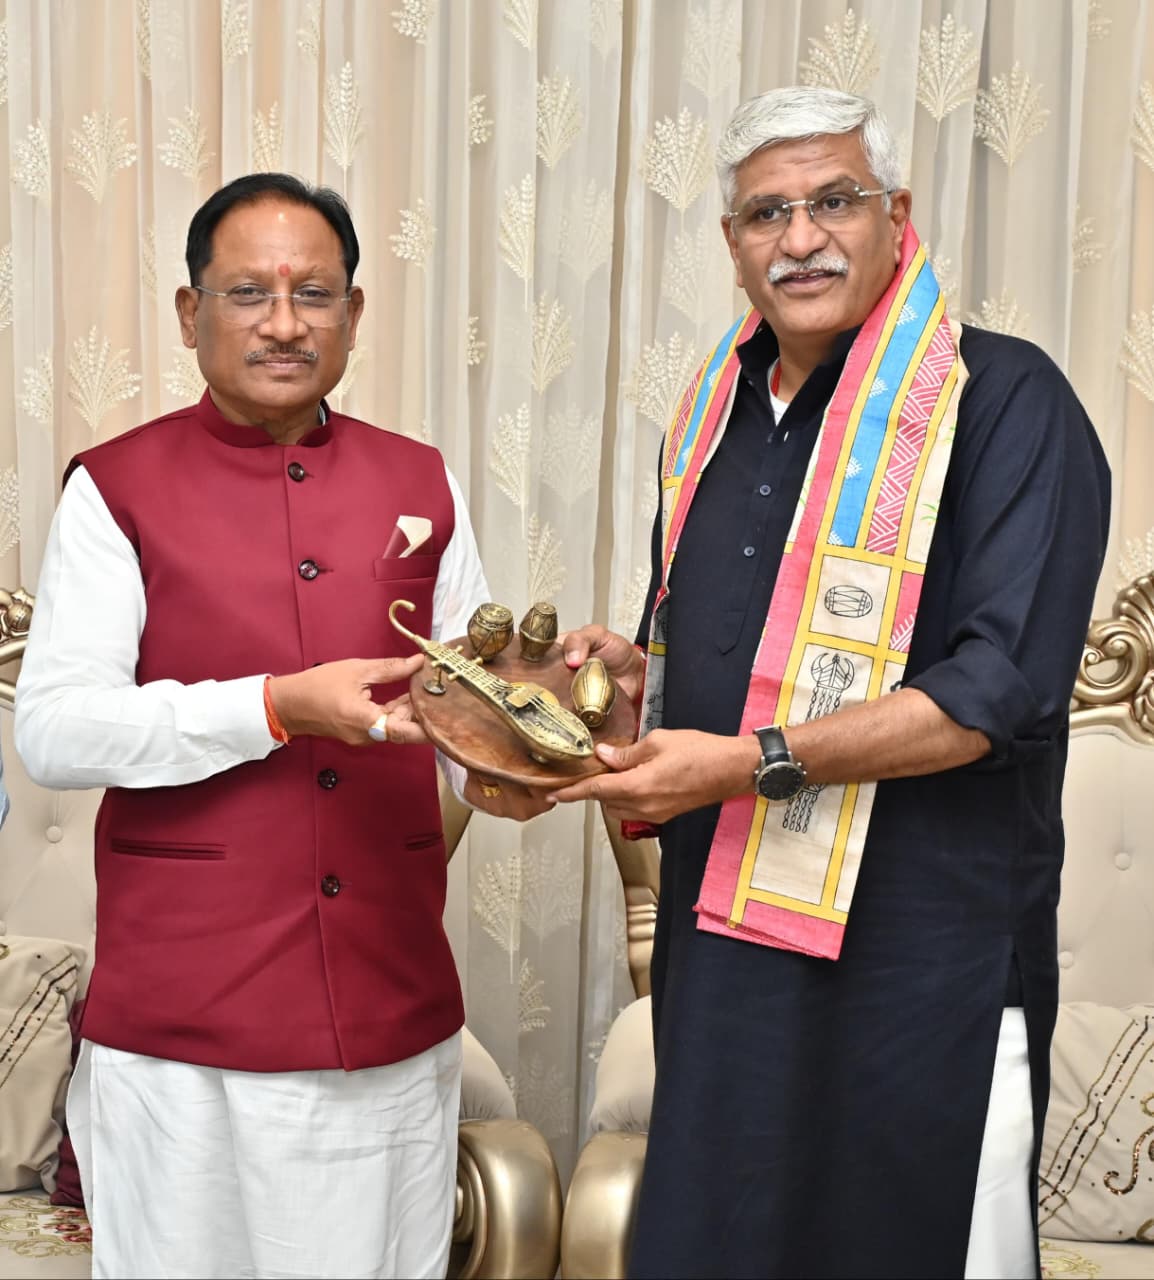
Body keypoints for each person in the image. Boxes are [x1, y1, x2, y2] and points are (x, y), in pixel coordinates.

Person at [553, 87, 1110, 1279]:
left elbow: (995, 691)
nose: (799, 237)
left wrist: (748, 761)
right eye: (767, 212)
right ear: (731, 243)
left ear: (895, 216)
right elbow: (703, 655)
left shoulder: (1002, 400)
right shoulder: (709, 414)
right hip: (728, 960)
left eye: (833, 201)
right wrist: (634, 682)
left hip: (924, 968)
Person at [14, 173, 496, 1280]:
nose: (284, 323)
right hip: (184, 1023)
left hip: (384, 1003)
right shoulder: (116, 488)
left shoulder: (420, 479)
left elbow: (466, 714)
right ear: (191, 313)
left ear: (353, 314)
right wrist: (274, 708)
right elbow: (57, 730)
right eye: (248, 293)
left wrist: (526, 753)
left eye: (313, 293)